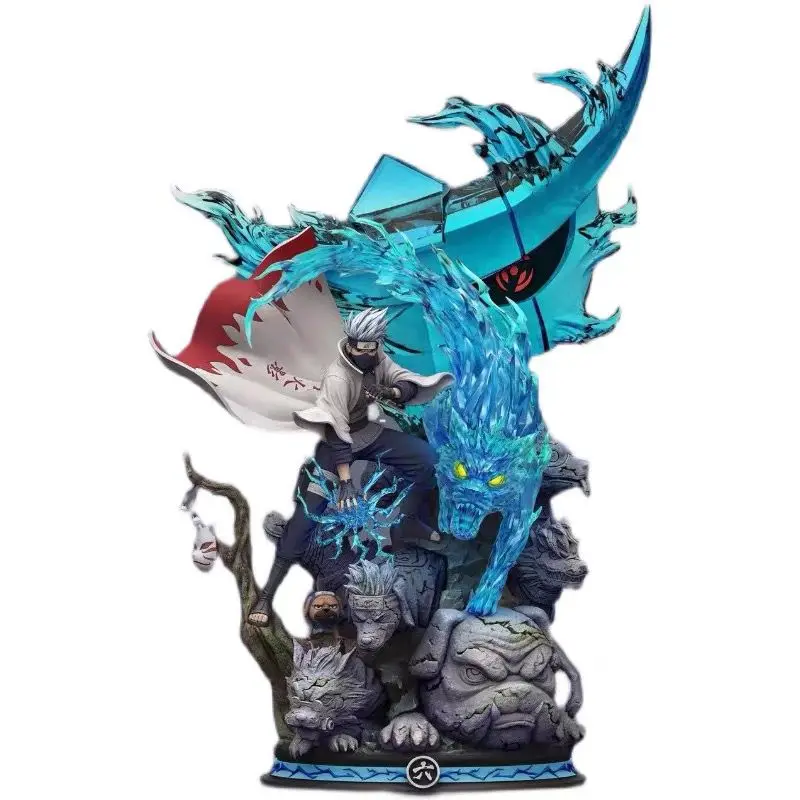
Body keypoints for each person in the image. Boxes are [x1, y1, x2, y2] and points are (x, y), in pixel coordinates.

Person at [248, 307, 452, 626]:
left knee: (428, 460)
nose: (367, 353)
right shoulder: (338, 376)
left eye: (372, 347)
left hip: (368, 434)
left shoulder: (377, 358)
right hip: (336, 447)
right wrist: (345, 482)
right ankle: (267, 594)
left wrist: (392, 391)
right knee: (302, 523)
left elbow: (404, 381)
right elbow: (336, 430)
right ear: (350, 343)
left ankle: (408, 521)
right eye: (361, 347)